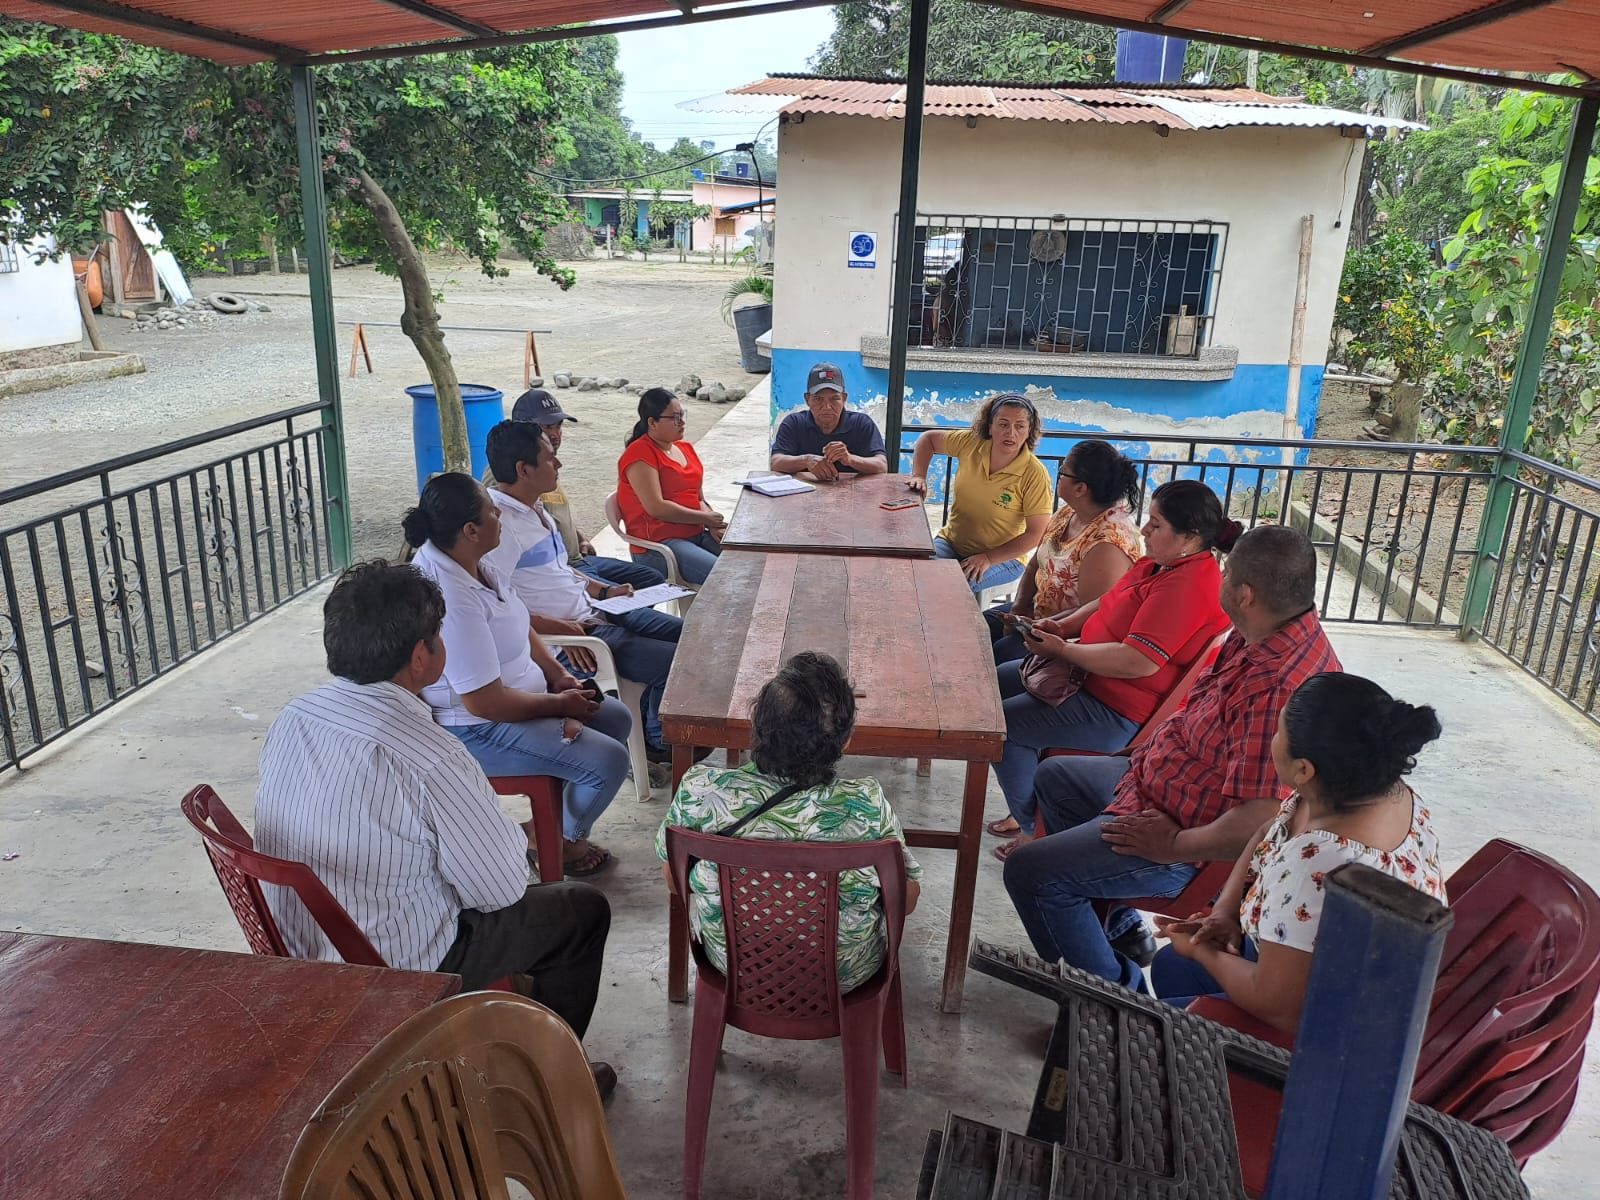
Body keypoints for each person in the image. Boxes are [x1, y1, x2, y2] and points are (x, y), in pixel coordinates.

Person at [253, 562, 615, 1094]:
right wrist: (510, 839)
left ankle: (507, 1036)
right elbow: (500, 890)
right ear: (421, 658)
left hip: (301, 942)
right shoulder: (429, 754)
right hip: (399, 962)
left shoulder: (296, 715)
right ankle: (546, 1085)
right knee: (580, 911)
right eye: (438, 635)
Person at [1002, 524, 1342, 992]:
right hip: (1152, 786)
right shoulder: (1263, 632)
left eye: (1227, 575)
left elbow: (1261, 817)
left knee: (1032, 873)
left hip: (1186, 840)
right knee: (1057, 776)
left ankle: (1116, 999)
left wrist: (1174, 845)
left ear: (1245, 594)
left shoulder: (1278, 684)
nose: (1220, 580)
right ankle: (1114, 925)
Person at [1152, 673, 1445, 1034]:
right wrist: (1225, 910)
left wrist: (1200, 951)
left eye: (1278, 733)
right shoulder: (1362, 788)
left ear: (1304, 769)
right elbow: (1268, 832)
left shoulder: (1318, 862)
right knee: (1170, 965)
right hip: (1291, 957)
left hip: (1321, 1023)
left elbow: (1276, 1007)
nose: (1273, 740)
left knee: (1151, 1018)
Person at [988, 479, 1235, 860]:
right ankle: (1036, 810)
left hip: (1117, 708)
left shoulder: (1191, 584)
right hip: (1088, 678)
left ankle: (1033, 828)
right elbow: (1109, 601)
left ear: (1189, 537)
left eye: (1156, 525)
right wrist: (1062, 628)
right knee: (993, 685)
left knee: (1001, 729)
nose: (1145, 530)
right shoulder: (1160, 564)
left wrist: (1065, 651)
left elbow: (1137, 661)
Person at [404, 472, 632, 877]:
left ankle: (541, 829)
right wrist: (558, 705)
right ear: (471, 530)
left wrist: (557, 675)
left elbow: (519, 619)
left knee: (615, 717)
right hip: (475, 727)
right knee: (608, 761)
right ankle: (559, 840)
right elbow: (484, 702)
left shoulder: (476, 560)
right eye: (492, 512)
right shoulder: (449, 597)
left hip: (518, 699)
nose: (500, 516)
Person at [656, 651, 922, 991]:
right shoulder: (866, 806)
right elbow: (906, 901)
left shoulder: (700, 792)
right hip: (841, 977)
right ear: (845, 742)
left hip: (735, 968)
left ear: (756, 727)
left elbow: (674, 881)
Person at [483, 419, 681, 772]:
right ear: (523, 470)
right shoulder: (500, 528)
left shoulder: (536, 509)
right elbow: (497, 608)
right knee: (677, 663)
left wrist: (603, 589)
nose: (558, 463)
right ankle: (657, 741)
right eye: (549, 458)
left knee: (689, 637)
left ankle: (651, 725)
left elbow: (562, 569)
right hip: (572, 640)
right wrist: (558, 630)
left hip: (596, 610)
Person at [987, 438, 1143, 665]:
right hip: (1036, 616)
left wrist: (1036, 628)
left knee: (998, 653)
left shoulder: (1107, 544)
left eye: (1063, 472)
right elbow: (1035, 564)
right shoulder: (1068, 513)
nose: (1058, 475)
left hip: (1066, 641)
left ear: (1080, 488)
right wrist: (1019, 607)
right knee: (976, 627)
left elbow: (1092, 616)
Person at [505, 386, 666, 592]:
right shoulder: (513, 471)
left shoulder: (547, 463)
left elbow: (555, 515)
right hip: (560, 568)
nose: (555, 434)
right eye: (547, 427)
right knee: (627, 598)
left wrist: (580, 538)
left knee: (651, 579)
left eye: (558, 426)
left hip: (579, 558)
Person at [906, 392, 1054, 596]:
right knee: (917, 575)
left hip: (1004, 558)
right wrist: (919, 475)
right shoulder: (971, 443)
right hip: (952, 543)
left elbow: (1036, 534)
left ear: (1029, 431)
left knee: (950, 586)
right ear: (990, 427)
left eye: (1020, 426)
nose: (1011, 433)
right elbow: (928, 439)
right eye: (1003, 424)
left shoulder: (1034, 474)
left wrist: (989, 558)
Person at [617, 388, 725, 585]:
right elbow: (657, 508)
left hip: (696, 533)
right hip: (659, 545)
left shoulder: (685, 448)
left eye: (682, 415)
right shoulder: (640, 454)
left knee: (748, 562)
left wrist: (713, 524)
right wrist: (705, 518)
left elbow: (698, 498)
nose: (681, 422)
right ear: (652, 422)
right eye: (674, 418)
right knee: (724, 577)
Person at [768, 362, 888, 479]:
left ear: (844, 398)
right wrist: (806, 460)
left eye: (834, 399)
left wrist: (850, 459)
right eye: (818, 399)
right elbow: (776, 462)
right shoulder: (794, 423)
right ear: (807, 399)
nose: (827, 407)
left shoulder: (861, 424)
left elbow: (882, 465)